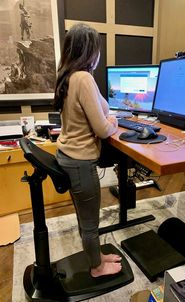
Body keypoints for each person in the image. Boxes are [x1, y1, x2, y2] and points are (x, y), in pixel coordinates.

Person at [53, 23, 121, 278]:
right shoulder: (84, 78)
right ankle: (97, 268)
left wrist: (107, 113)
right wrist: (113, 122)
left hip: (67, 157)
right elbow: (104, 128)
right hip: (81, 162)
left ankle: (95, 256)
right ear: (90, 51)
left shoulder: (68, 75)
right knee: (90, 222)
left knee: (84, 218)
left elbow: (102, 107)